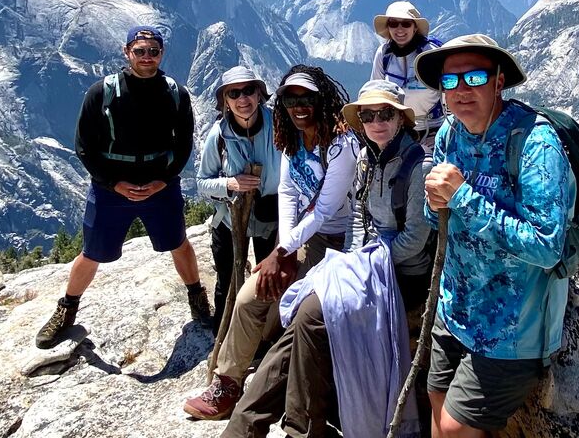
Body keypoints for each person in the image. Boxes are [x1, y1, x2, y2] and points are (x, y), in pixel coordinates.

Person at [220, 80, 433, 438]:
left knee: (313, 317)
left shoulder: (417, 165)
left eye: (386, 114)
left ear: (401, 119)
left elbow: (415, 238)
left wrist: (363, 265)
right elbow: (355, 218)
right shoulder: (368, 159)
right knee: (306, 312)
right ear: (360, 120)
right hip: (366, 267)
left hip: (401, 276)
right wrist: (349, 260)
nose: (376, 121)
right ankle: (251, 429)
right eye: (368, 115)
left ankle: (283, 429)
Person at [413, 34, 576, 437]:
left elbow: (546, 245)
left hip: (511, 329)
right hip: (455, 311)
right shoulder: (450, 134)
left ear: (499, 81)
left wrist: (463, 197)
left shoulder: (535, 144)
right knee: (435, 402)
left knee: (453, 429)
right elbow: (438, 221)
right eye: (450, 82)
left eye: (475, 77)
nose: (461, 90)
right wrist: (434, 205)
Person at [184, 65, 358, 420]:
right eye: (291, 99)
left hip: (343, 243)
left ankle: (269, 376)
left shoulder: (341, 144)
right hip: (307, 239)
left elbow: (325, 210)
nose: (299, 106)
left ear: (321, 99)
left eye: (307, 98)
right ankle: (228, 383)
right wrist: (287, 248)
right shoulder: (291, 138)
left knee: (294, 307)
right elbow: (288, 192)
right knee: (251, 296)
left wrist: (281, 251)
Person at [35, 25, 213, 349]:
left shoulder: (176, 93)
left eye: (153, 51)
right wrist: (113, 183)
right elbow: (84, 146)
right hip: (111, 190)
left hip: (160, 185)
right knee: (91, 254)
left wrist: (165, 179)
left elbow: (185, 142)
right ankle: (66, 309)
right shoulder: (101, 92)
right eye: (140, 51)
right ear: (126, 51)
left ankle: (197, 297)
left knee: (179, 243)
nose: (147, 57)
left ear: (161, 54)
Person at [197, 66, 283, 327]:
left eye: (249, 91)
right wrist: (230, 183)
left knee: (269, 279)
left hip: (271, 217)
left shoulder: (279, 124)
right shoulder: (219, 136)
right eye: (234, 93)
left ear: (259, 94)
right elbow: (202, 183)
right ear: (225, 100)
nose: (242, 99)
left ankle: (265, 333)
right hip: (229, 218)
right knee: (228, 278)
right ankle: (222, 332)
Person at [370, 1, 445, 148]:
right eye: (393, 23)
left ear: (415, 27)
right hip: (397, 133)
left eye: (406, 24)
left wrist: (444, 134)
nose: (399, 29)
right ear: (388, 27)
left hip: (433, 131)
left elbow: (449, 94)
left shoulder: (431, 53)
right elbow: (375, 95)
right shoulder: (384, 54)